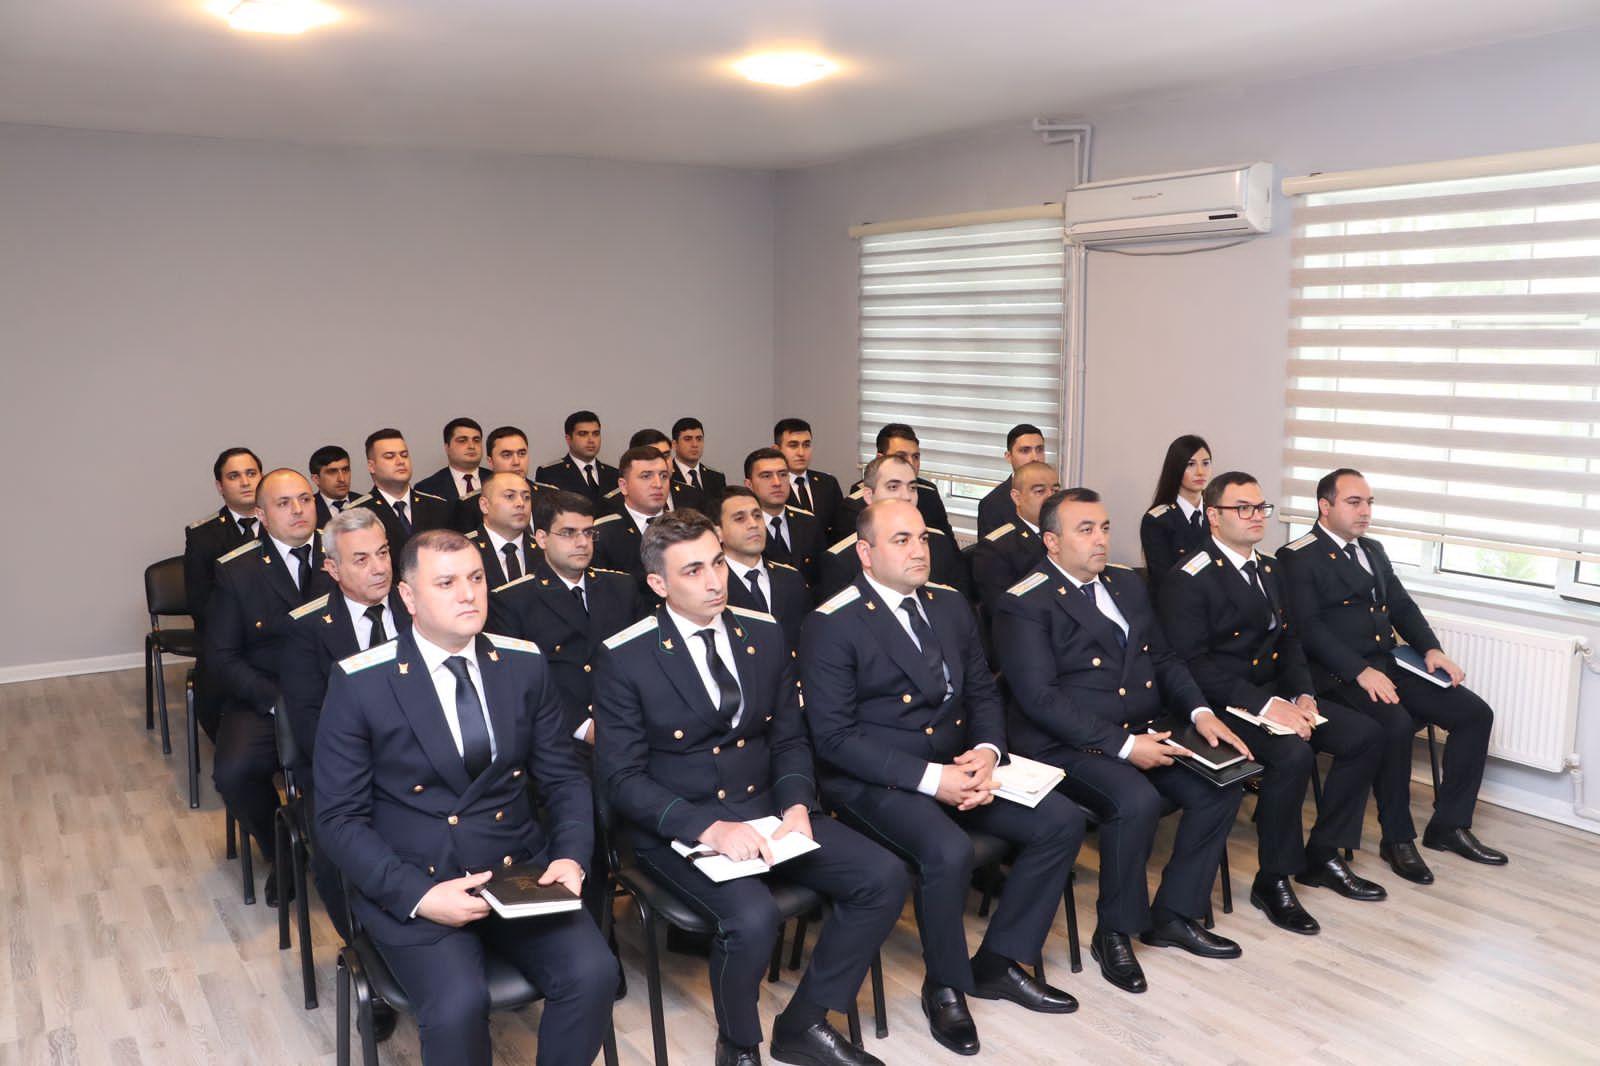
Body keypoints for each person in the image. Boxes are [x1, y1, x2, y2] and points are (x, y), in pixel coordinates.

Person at [595, 512, 907, 1066]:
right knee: (753, 917)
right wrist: (708, 828)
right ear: (659, 584)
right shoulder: (626, 655)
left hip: (766, 810)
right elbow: (621, 778)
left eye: (717, 563)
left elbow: (788, 737)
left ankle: (804, 1023)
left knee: (882, 876)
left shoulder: (762, 632)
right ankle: (738, 1043)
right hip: (679, 827)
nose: (714, 581)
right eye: (693, 571)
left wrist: (797, 806)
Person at [315, 529, 616, 1066]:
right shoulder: (362, 682)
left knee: (595, 973)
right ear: (408, 597)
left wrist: (570, 856)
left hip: (516, 869)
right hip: (420, 877)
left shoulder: (522, 664)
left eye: (476, 578)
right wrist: (419, 896)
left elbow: (565, 778)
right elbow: (338, 819)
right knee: (457, 1005)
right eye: (447, 582)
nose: (468, 594)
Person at [800, 499, 1085, 1056]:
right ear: (865, 553)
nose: (919, 550)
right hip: (876, 780)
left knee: (1060, 821)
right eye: (901, 540)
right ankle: (945, 986)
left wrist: (987, 751)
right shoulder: (831, 622)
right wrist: (932, 779)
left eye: (923, 538)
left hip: (959, 763)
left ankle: (1001, 960)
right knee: (948, 851)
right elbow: (834, 739)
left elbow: (982, 690)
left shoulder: (949, 604)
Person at [993, 488, 1248, 994]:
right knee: (1135, 800)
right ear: (1051, 541)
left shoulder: (1126, 583)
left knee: (1222, 783)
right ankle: (1114, 932)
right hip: (1064, 745)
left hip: (1140, 728)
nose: (1100, 539)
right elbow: (1041, 700)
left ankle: (1173, 915)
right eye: (1085, 530)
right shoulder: (1024, 602)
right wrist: (1127, 748)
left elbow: (1164, 659)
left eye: (1105, 528)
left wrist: (1200, 713)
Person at [1159, 471, 1386, 936]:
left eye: (1260, 507)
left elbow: (1290, 640)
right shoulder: (1189, 577)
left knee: (1365, 736)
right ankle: (1274, 879)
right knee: (1292, 754)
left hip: (1273, 694)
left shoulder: (1268, 568)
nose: (1255, 516)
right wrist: (1265, 706)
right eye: (1242, 508)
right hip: (1222, 703)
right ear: (1213, 516)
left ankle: (1323, 854)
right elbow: (1192, 664)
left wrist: (1302, 693)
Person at [1279, 469, 1505, 879]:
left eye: (1368, 503)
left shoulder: (1372, 548)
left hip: (1388, 663)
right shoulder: (1297, 556)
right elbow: (1307, 629)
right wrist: (1359, 671)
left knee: (1474, 714)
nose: (1365, 511)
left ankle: (1449, 826)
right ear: (1324, 506)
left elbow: (1400, 604)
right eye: (1354, 502)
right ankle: (1397, 839)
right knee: (1395, 725)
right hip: (1338, 675)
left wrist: (1431, 649)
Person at [278, 506, 410, 941]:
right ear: (332, 569)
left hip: (425, 763)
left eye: (383, 553)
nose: (380, 568)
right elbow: (312, 726)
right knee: (336, 856)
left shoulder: (419, 609)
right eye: (361, 559)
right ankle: (366, 953)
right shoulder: (307, 629)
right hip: (344, 775)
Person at [207, 468, 334, 906]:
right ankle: (282, 849)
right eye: (284, 503)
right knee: (234, 772)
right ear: (261, 514)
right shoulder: (238, 571)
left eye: (305, 499)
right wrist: (275, 700)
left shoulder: (344, 553)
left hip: (336, 692)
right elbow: (222, 658)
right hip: (267, 694)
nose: (298, 510)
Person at [184, 446, 263, 741]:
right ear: (220, 486)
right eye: (234, 476)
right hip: (229, 642)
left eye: (251, 473)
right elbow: (200, 603)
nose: (245, 482)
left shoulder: (283, 526)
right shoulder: (203, 536)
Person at [821, 454, 968, 598]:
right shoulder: (841, 561)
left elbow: (960, 605)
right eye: (893, 487)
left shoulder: (940, 544)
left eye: (912, 488)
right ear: (869, 496)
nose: (906, 496)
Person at [716, 486, 810, 651]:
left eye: (757, 516)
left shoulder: (791, 578)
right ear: (718, 532)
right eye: (740, 518)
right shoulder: (713, 586)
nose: (753, 524)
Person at [970, 460, 1059, 613]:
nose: (1051, 498)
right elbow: (1005, 610)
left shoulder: (1066, 535)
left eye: (1055, 491)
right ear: (1017, 498)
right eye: (1039, 491)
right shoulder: (995, 549)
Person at [847, 424, 955, 540]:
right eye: (901, 457)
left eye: (915, 457)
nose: (911, 463)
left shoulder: (929, 493)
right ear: (880, 459)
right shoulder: (856, 499)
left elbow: (949, 546)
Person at [1141, 435, 1213, 604]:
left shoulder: (1217, 513)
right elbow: (1166, 581)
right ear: (1175, 468)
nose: (1200, 472)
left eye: (1206, 463)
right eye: (1190, 464)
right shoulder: (1157, 521)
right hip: (1176, 606)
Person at [357, 429, 453, 551]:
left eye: (404, 455)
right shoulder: (359, 514)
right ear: (372, 466)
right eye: (390, 457)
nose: (400, 461)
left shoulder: (438, 507)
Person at [592, 445, 673, 590]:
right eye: (646, 476)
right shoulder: (603, 534)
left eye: (663, 476)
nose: (658, 484)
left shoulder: (686, 528)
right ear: (624, 486)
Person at [746, 447, 823, 584]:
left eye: (783, 474)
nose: (777, 483)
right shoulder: (744, 529)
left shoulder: (808, 522)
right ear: (749, 485)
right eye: (766, 476)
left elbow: (822, 576)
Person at [775, 417, 847, 539]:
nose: (801, 453)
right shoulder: (774, 487)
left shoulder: (828, 483)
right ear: (777, 450)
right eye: (793, 446)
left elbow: (840, 530)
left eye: (806, 445)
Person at [466, 472, 540, 588]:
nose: (521, 503)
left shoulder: (545, 550)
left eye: (526, 497)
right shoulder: (464, 550)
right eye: (510, 496)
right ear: (484, 505)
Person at [976, 424, 1048, 537]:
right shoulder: (992, 505)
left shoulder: (1055, 495)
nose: (1035, 458)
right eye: (1025, 450)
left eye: (1039, 450)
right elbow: (991, 548)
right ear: (1009, 456)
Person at [535, 410, 618, 502]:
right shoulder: (550, 474)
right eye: (583, 434)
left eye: (596, 434)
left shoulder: (614, 475)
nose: (591, 440)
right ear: (568, 439)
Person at [625, 428, 707, 512]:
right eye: (654, 457)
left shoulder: (693, 495)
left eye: (666, 455)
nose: (663, 463)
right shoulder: (619, 503)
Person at [416, 417, 491, 501]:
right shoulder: (426, 488)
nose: (471, 446)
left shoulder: (496, 479)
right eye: (462, 441)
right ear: (447, 447)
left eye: (476, 440)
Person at [670, 416, 727, 495]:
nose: (695, 444)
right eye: (688, 439)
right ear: (674, 444)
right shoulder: (667, 476)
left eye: (699, 439)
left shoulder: (716, 477)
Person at [309, 444, 358, 527]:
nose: (342, 479)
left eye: (345, 470)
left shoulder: (367, 504)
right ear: (316, 479)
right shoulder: (308, 510)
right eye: (332, 472)